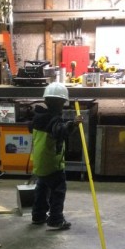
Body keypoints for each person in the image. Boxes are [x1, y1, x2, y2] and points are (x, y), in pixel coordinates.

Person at [28, 82, 82, 230]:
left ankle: (38, 216)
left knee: (42, 188)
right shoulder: (54, 119)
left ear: (45, 101)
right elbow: (60, 131)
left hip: (39, 161)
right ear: (62, 103)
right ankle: (56, 219)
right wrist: (73, 124)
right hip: (53, 163)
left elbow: (30, 128)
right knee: (58, 190)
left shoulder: (38, 117)